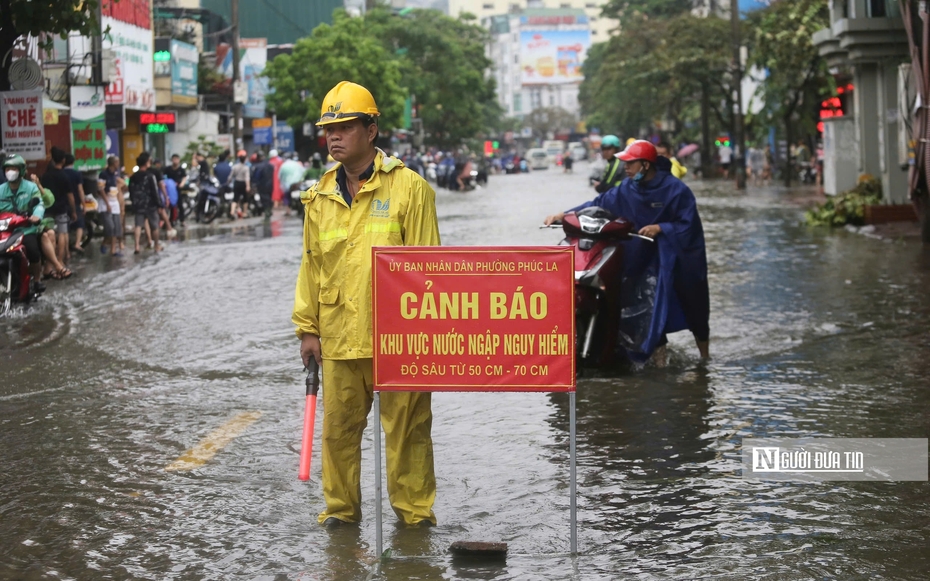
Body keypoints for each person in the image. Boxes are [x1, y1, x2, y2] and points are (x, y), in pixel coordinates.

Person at [293, 81, 440, 528]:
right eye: (328, 128)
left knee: (408, 435)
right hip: (338, 338)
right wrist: (307, 328)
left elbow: (429, 271)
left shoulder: (410, 189)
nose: (333, 136)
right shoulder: (319, 198)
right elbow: (311, 266)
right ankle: (341, 515)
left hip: (399, 339)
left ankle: (414, 519)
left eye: (344, 126)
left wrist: (426, 338)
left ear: (371, 129)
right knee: (337, 435)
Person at [544, 140, 709, 363]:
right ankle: (657, 358)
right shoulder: (626, 189)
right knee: (640, 306)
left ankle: (705, 358)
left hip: (670, 258)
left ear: (646, 165)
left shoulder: (676, 190)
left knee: (693, 304)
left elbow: (689, 226)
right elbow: (597, 203)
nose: (626, 169)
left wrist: (661, 228)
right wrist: (563, 215)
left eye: (630, 164)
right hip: (639, 257)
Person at [1, 154, 69, 282]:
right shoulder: (1, 190)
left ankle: (37, 280)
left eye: (13, 169)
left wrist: (36, 216)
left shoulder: (31, 187)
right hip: (5, 230)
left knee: (33, 251)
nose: (10, 172)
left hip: (25, 229)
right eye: (7, 169)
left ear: (20, 170)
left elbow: (39, 204)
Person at [41, 147, 76, 267]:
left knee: (48, 234)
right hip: (61, 209)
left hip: (47, 209)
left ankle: (49, 263)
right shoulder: (64, 176)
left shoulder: (45, 176)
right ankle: (60, 260)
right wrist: (74, 211)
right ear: (63, 160)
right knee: (62, 233)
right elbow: (70, 196)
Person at [128, 152, 163, 254]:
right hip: (150, 205)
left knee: (138, 225)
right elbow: (154, 191)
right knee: (155, 226)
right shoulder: (150, 176)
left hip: (138, 205)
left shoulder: (133, 177)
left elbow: (131, 191)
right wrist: (159, 204)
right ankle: (156, 246)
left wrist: (134, 202)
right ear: (147, 162)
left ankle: (137, 246)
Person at [62, 153, 87, 254]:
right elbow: (80, 190)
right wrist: (84, 204)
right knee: (80, 224)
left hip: (63, 204)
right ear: (73, 162)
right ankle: (77, 243)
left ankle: (66, 251)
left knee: (65, 228)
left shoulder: (61, 173)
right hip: (75, 202)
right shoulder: (77, 174)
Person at [228, 150, 251, 219]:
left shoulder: (235, 166)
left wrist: (228, 182)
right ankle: (244, 213)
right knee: (245, 199)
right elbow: (247, 178)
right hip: (243, 184)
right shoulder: (246, 167)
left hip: (237, 183)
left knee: (235, 198)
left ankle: (232, 212)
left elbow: (230, 176)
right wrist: (248, 186)